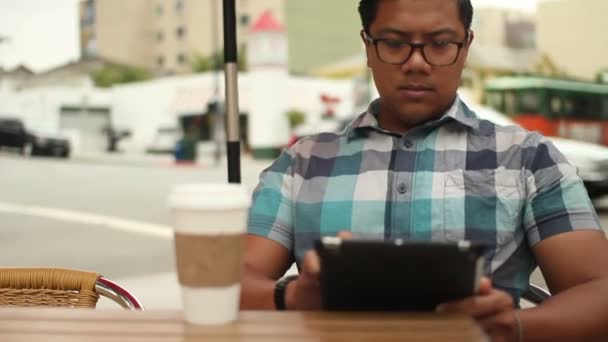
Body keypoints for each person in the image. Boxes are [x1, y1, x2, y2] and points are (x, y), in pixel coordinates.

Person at [240, 0, 608, 340]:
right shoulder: (303, 163)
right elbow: (230, 285)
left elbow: (597, 289)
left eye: (441, 43)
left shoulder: (528, 158)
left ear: (466, 48)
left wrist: (512, 327)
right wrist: (292, 295)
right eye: (395, 43)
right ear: (368, 47)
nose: (417, 62)